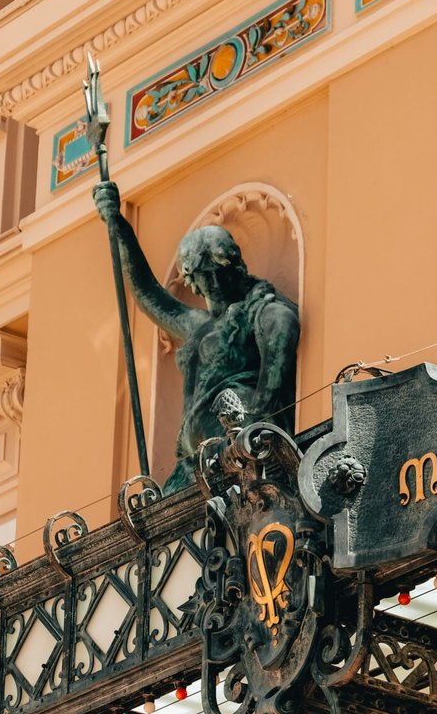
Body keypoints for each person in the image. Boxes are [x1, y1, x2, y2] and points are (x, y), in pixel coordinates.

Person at [93, 181, 299, 491]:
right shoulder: (199, 324)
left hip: (237, 450)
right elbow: (148, 295)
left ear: (227, 269)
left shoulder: (262, 312)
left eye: (202, 279)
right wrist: (118, 226)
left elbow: (276, 364)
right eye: (192, 280)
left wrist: (254, 424)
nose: (197, 289)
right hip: (196, 462)